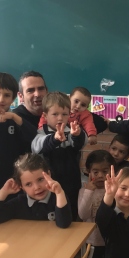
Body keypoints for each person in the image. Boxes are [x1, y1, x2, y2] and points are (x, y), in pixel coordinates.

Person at [32, 91, 84, 219]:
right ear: (45, 115)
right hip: (50, 182)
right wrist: (54, 139)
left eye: (64, 114)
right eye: (55, 114)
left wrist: (77, 135)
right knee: (51, 211)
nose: (60, 118)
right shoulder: (41, 133)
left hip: (72, 181)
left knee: (71, 210)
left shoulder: (72, 130)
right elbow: (37, 147)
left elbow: (80, 144)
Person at [0, 153, 72, 227]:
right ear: (21, 186)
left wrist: (59, 193)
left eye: (40, 179)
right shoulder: (19, 203)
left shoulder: (58, 198)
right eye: (28, 184)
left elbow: (64, 224)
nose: (37, 187)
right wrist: (3, 192)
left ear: (48, 174)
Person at [78, 150, 115, 258]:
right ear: (89, 172)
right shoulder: (84, 191)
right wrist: (89, 192)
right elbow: (83, 215)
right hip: (91, 241)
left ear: (112, 171)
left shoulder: (114, 191)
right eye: (95, 172)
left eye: (105, 171)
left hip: (109, 240)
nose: (100, 176)